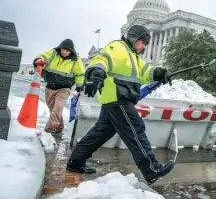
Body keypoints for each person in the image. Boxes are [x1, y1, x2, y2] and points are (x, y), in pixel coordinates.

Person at [66, 25, 175, 185]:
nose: (144, 46)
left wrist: (158, 73)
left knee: (99, 134)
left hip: (117, 98)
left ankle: (75, 162)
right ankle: (151, 169)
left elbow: (145, 72)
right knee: (135, 129)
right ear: (134, 38)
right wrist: (96, 72)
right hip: (118, 97)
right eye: (143, 42)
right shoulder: (118, 47)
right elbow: (102, 59)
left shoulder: (134, 57)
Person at [33, 39, 85, 134]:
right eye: (63, 49)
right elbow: (43, 56)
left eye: (67, 50)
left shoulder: (76, 60)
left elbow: (80, 73)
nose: (64, 52)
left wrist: (79, 85)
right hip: (50, 87)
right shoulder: (53, 53)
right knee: (53, 109)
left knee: (58, 108)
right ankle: (60, 126)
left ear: (71, 51)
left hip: (64, 89)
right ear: (60, 48)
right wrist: (37, 60)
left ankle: (49, 130)